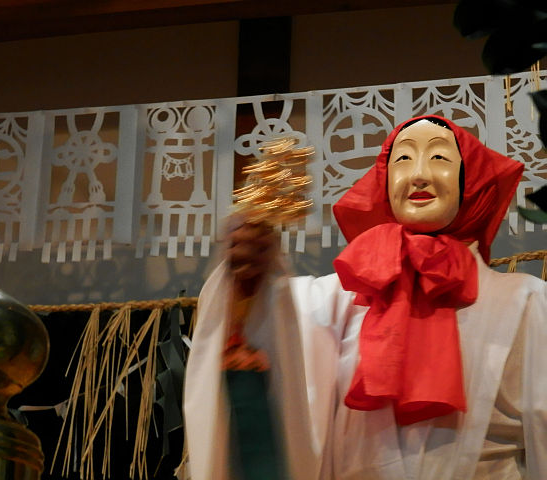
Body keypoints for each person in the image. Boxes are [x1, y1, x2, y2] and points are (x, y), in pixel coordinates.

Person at [183, 115, 547, 479]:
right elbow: (278, 361)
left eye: (439, 158)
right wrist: (251, 285)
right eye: (402, 159)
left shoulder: (524, 302)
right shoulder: (335, 300)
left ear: (472, 182)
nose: (418, 174)